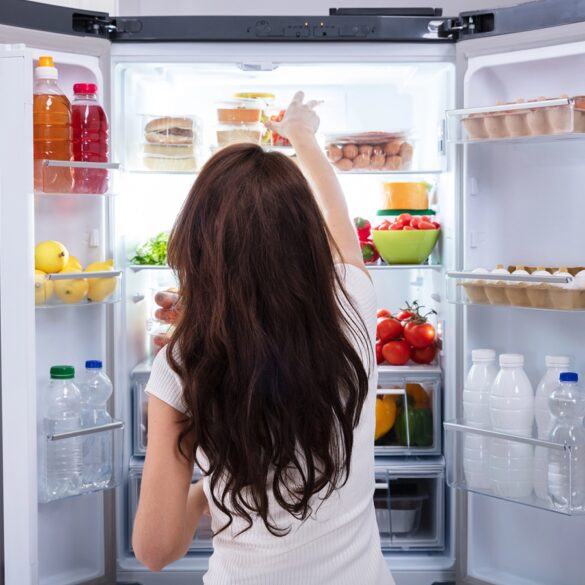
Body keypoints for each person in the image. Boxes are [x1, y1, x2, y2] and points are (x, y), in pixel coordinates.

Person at [132, 91, 395, 585]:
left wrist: (209, 487)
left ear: (197, 246)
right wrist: (302, 135)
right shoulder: (355, 310)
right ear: (306, 241)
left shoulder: (182, 364)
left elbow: (155, 549)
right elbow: (343, 230)